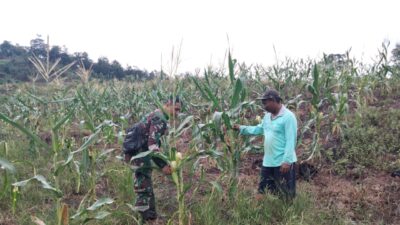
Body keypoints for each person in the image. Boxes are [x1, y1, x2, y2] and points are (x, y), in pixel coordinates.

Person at [124, 96, 182, 221]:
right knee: (144, 187)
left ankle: (150, 216)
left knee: (145, 185)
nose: (178, 113)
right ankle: (145, 219)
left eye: (179, 110)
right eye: (176, 109)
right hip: (140, 155)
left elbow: (151, 143)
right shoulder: (160, 119)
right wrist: (164, 165)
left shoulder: (156, 114)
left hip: (139, 153)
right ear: (168, 104)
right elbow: (152, 146)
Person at [233, 89, 297, 201]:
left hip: (282, 163)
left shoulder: (288, 117)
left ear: (273, 100)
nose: (264, 106)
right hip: (268, 161)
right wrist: (241, 128)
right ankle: (261, 212)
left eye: (265, 103)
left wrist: (287, 161)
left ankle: (286, 215)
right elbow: (258, 129)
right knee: (263, 190)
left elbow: (291, 140)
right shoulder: (267, 117)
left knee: (285, 193)